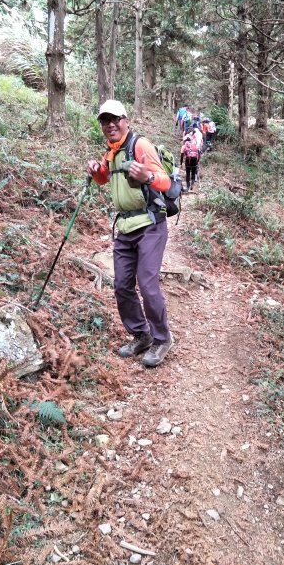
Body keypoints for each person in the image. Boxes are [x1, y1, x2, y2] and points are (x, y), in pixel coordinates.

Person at [87, 100, 173, 367]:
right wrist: (95, 170)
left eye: (115, 119)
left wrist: (147, 177)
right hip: (124, 228)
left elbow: (165, 181)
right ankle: (141, 335)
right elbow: (104, 178)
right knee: (122, 285)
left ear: (126, 121)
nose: (110, 124)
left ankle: (162, 339)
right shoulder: (111, 153)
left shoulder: (140, 145)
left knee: (147, 285)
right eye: (105, 120)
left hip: (150, 225)